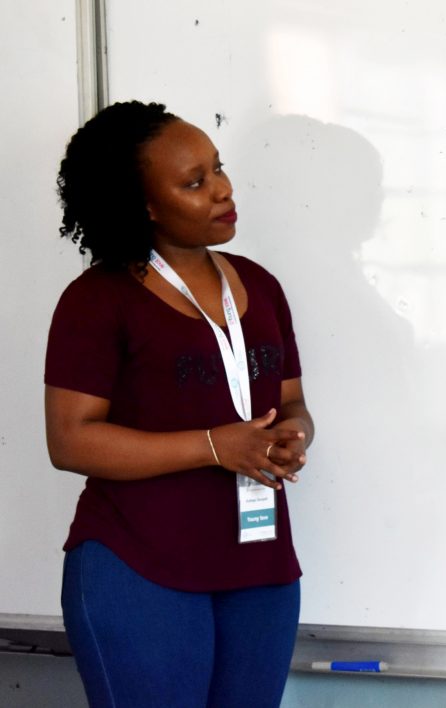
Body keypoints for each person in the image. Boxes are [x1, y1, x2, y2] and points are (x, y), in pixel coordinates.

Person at [45, 100, 314, 707]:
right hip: (140, 566)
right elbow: (70, 440)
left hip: (260, 565)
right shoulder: (96, 300)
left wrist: (293, 435)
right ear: (144, 205)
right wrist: (217, 446)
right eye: (195, 182)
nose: (223, 190)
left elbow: (292, 402)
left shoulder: (261, 285)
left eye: (218, 169)